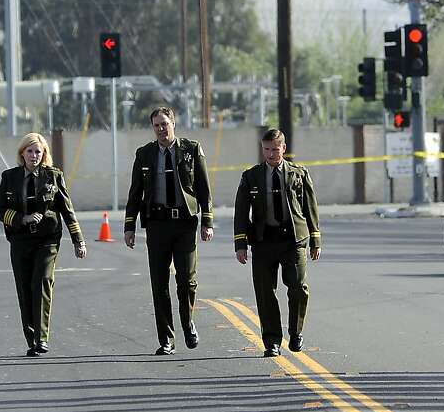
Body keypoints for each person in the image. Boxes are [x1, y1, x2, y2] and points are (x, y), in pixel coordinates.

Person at [124, 107, 213, 356]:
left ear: (173, 123)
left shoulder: (191, 149)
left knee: (186, 280)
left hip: (185, 223)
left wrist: (207, 221)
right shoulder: (145, 155)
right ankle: (166, 339)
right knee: (159, 283)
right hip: (157, 225)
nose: (161, 129)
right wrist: (129, 226)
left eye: (165, 124)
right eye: (156, 126)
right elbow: (135, 193)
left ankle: (187, 323)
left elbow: (204, 188)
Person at [0, 132, 86, 356]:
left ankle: (42, 338)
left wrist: (78, 240)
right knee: (25, 288)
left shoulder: (53, 176)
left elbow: (67, 210)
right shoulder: (9, 177)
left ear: (44, 154)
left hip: (48, 239)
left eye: (38, 151)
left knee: (42, 281)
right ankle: (31, 337)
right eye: (30, 151)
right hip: (20, 240)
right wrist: (20, 219)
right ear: (22, 153)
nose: (34, 155)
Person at [233, 128, 321, 357]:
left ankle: (296, 332)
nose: (271, 154)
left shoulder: (298, 173)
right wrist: (240, 244)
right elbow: (241, 212)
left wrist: (315, 239)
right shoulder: (251, 176)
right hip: (263, 241)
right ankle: (272, 341)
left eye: (275, 149)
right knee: (265, 293)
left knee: (299, 288)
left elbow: (310, 207)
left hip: (293, 240)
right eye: (266, 149)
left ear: (284, 148)